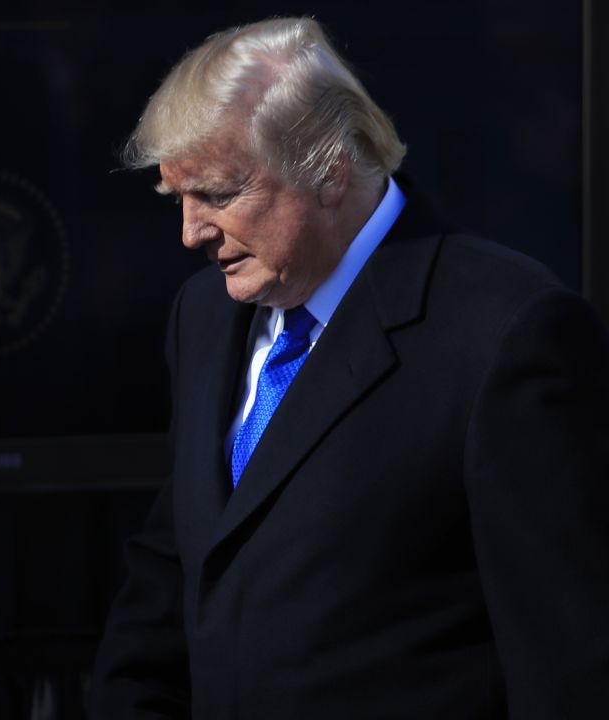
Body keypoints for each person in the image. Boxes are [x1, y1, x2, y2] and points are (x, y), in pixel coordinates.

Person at [88, 16, 609, 719]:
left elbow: (568, 662)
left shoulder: (507, 333)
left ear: (330, 170)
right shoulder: (204, 314)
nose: (190, 232)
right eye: (176, 198)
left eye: (217, 194)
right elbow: (177, 567)